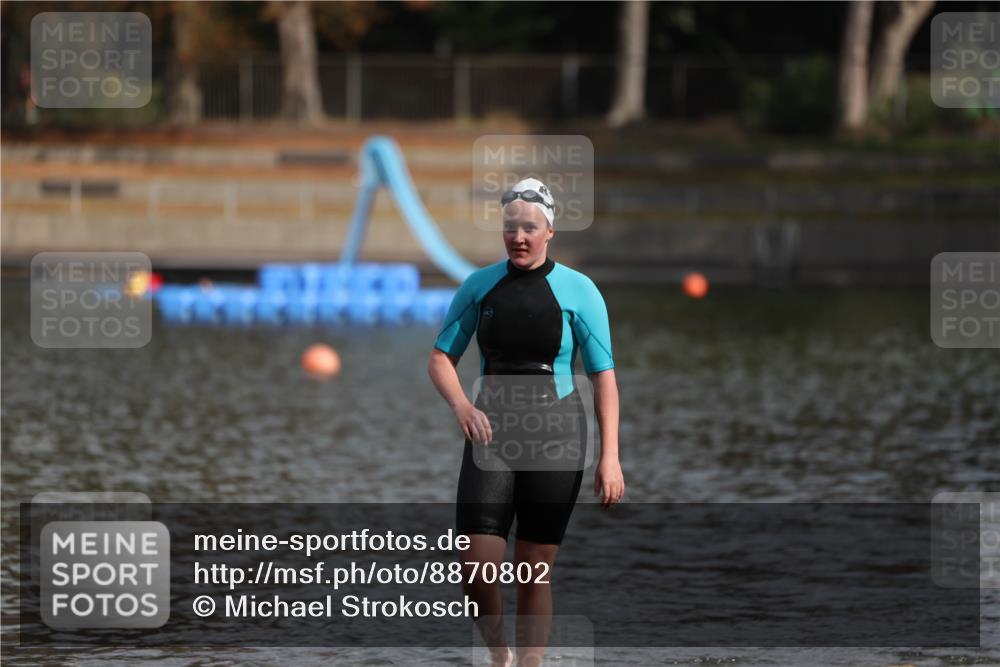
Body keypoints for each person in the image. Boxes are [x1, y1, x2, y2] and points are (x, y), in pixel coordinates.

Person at [427, 178, 625, 667]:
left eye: (529, 228)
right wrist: (462, 407)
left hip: (556, 440)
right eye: (511, 227)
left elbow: (604, 379)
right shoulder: (480, 286)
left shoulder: (581, 291)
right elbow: (439, 359)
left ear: (549, 230)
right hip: (491, 435)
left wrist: (610, 458)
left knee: (534, 573)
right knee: (475, 567)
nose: (519, 237)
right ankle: (501, 655)